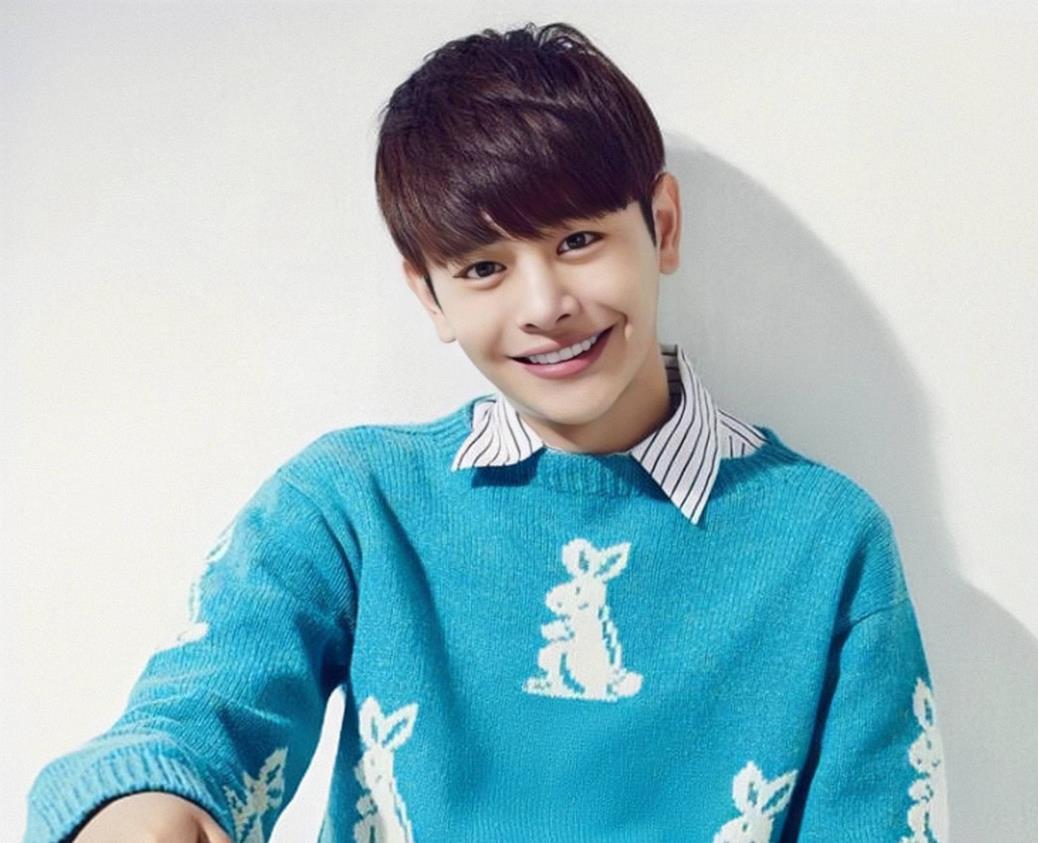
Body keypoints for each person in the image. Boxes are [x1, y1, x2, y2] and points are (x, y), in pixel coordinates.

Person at [23, 20, 949, 843]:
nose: (544, 305)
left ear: (661, 226)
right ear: (427, 294)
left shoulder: (828, 540)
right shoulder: (352, 506)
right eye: (482, 268)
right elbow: (195, 713)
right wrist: (141, 799)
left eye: (578, 240)